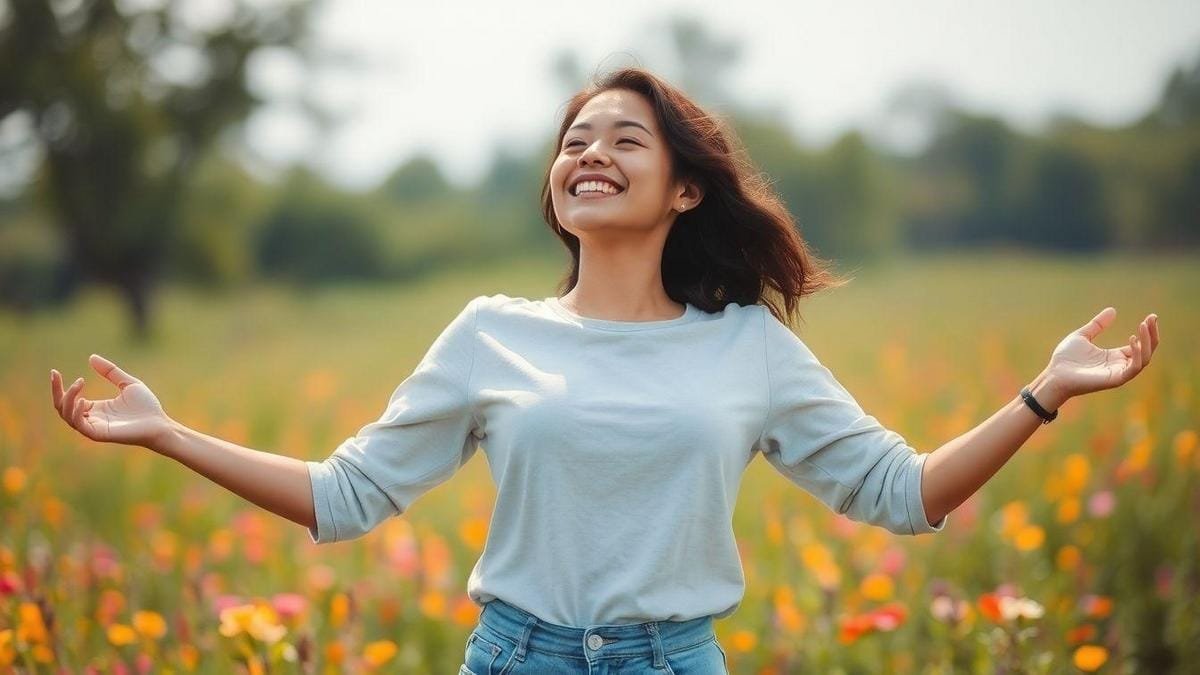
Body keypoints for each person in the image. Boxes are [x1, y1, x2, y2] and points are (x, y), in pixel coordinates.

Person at [49, 67, 1160, 675]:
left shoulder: (746, 349)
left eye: (626, 139)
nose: (591, 153)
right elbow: (344, 498)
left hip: (672, 664)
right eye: (576, 139)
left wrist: (1043, 393)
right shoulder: (490, 332)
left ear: (685, 189)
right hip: (513, 660)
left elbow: (903, 495)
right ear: (554, 187)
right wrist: (164, 431)